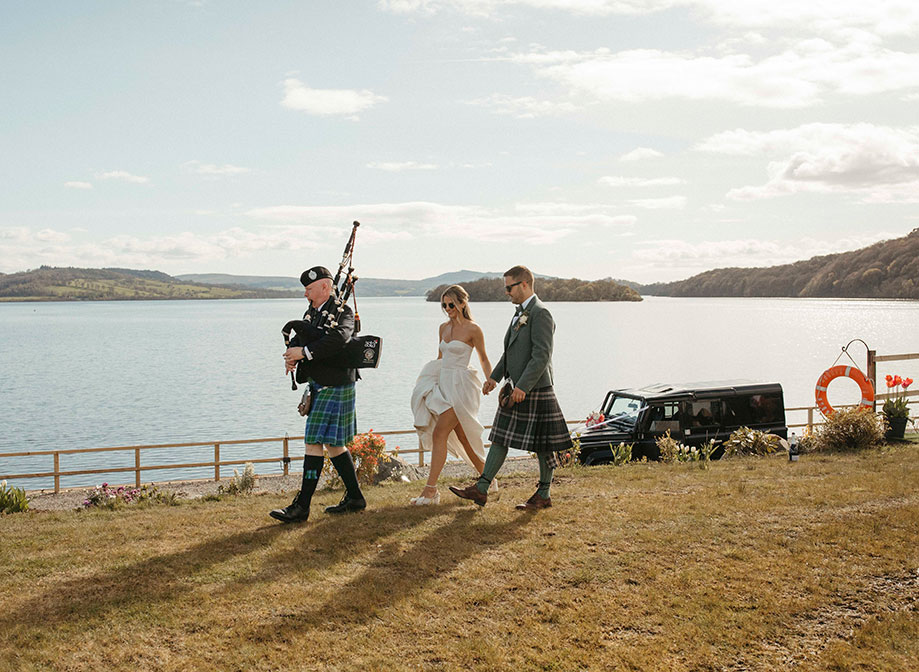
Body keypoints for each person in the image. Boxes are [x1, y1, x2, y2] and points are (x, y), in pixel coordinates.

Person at [450, 265, 572, 511]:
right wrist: (494, 378)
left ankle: (544, 494)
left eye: (509, 287)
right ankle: (482, 489)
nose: (506, 292)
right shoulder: (519, 314)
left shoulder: (541, 313)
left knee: (543, 444)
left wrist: (524, 387)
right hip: (514, 387)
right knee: (499, 436)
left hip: (535, 388)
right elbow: (510, 352)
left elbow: (541, 356)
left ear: (524, 284)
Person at [269, 265, 366, 523]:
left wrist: (305, 353)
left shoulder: (342, 310)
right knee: (334, 446)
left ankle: (302, 506)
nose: (305, 294)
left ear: (325, 286)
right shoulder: (313, 312)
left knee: (313, 442)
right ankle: (356, 498)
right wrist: (292, 354)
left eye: (309, 289)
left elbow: (340, 338)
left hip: (335, 384)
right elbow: (304, 335)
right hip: (321, 384)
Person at [409, 285, 498, 505]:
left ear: (462, 302)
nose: (448, 308)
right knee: (464, 439)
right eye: (444, 305)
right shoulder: (442, 328)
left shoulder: (473, 329)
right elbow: (440, 357)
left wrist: (491, 379)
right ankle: (489, 481)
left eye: (451, 304)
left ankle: (430, 492)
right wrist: (430, 383)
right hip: (444, 384)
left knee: (440, 433)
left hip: (462, 386)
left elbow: (484, 358)